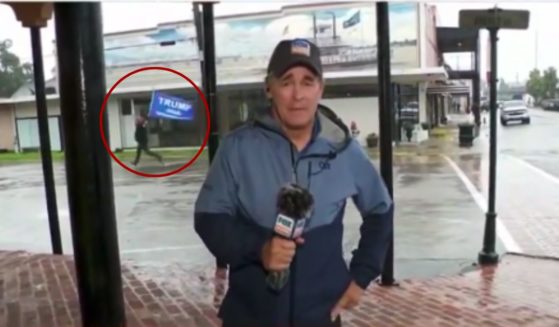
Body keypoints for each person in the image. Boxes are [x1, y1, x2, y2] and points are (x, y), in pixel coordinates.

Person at [194, 38, 393, 327]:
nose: (297, 95)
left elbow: (381, 210)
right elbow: (209, 219)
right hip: (249, 316)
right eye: (287, 82)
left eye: (308, 82)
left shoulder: (345, 150)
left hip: (321, 317)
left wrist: (361, 276)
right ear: (269, 88)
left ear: (320, 88)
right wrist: (259, 249)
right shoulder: (237, 148)